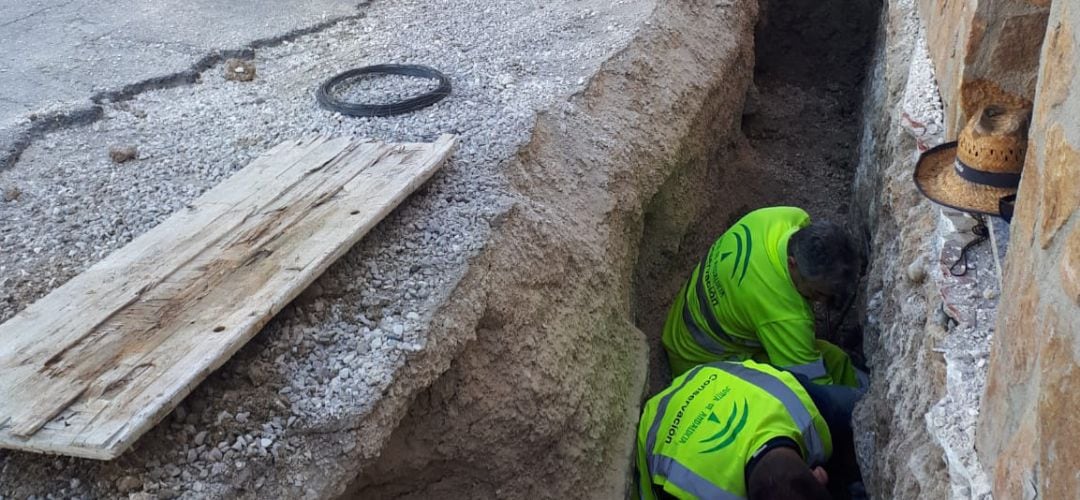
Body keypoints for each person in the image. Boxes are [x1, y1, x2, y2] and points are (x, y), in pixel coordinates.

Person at [661, 206, 862, 386]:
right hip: (700, 367)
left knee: (835, 360)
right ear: (792, 264)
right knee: (821, 365)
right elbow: (814, 389)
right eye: (817, 293)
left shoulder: (784, 218)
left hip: (683, 325)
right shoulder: (784, 314)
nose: (822, 302)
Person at [636, 359, 834, 500]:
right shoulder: (696, 489)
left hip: (709, 376)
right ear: (819, 475)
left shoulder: (803, 413)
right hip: (656, 421)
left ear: (818, 475)